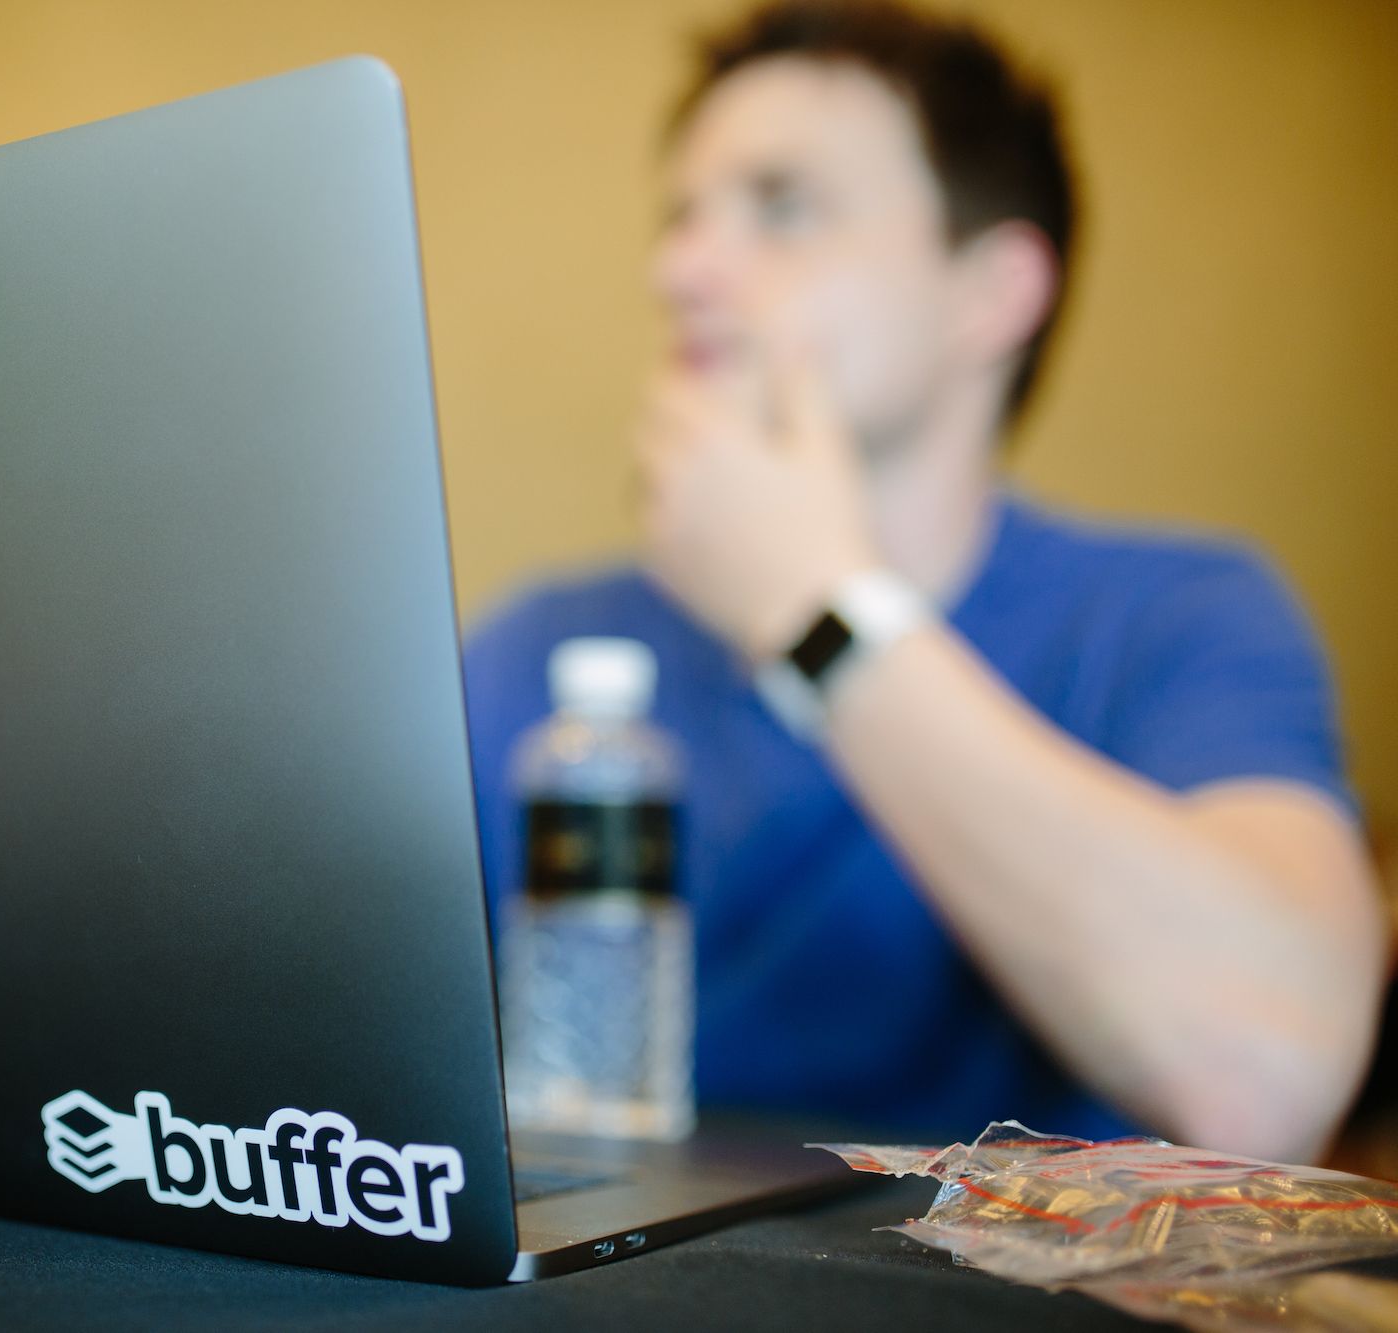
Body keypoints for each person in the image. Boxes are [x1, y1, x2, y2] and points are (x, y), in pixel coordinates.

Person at [461, 0, 1386, 1163]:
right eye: (680, 217)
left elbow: (1264, 1074)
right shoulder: (531, 651)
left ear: (991, 291)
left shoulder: (1173, 618)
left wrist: (816, 613)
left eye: (781, 207)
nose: (679, 267)